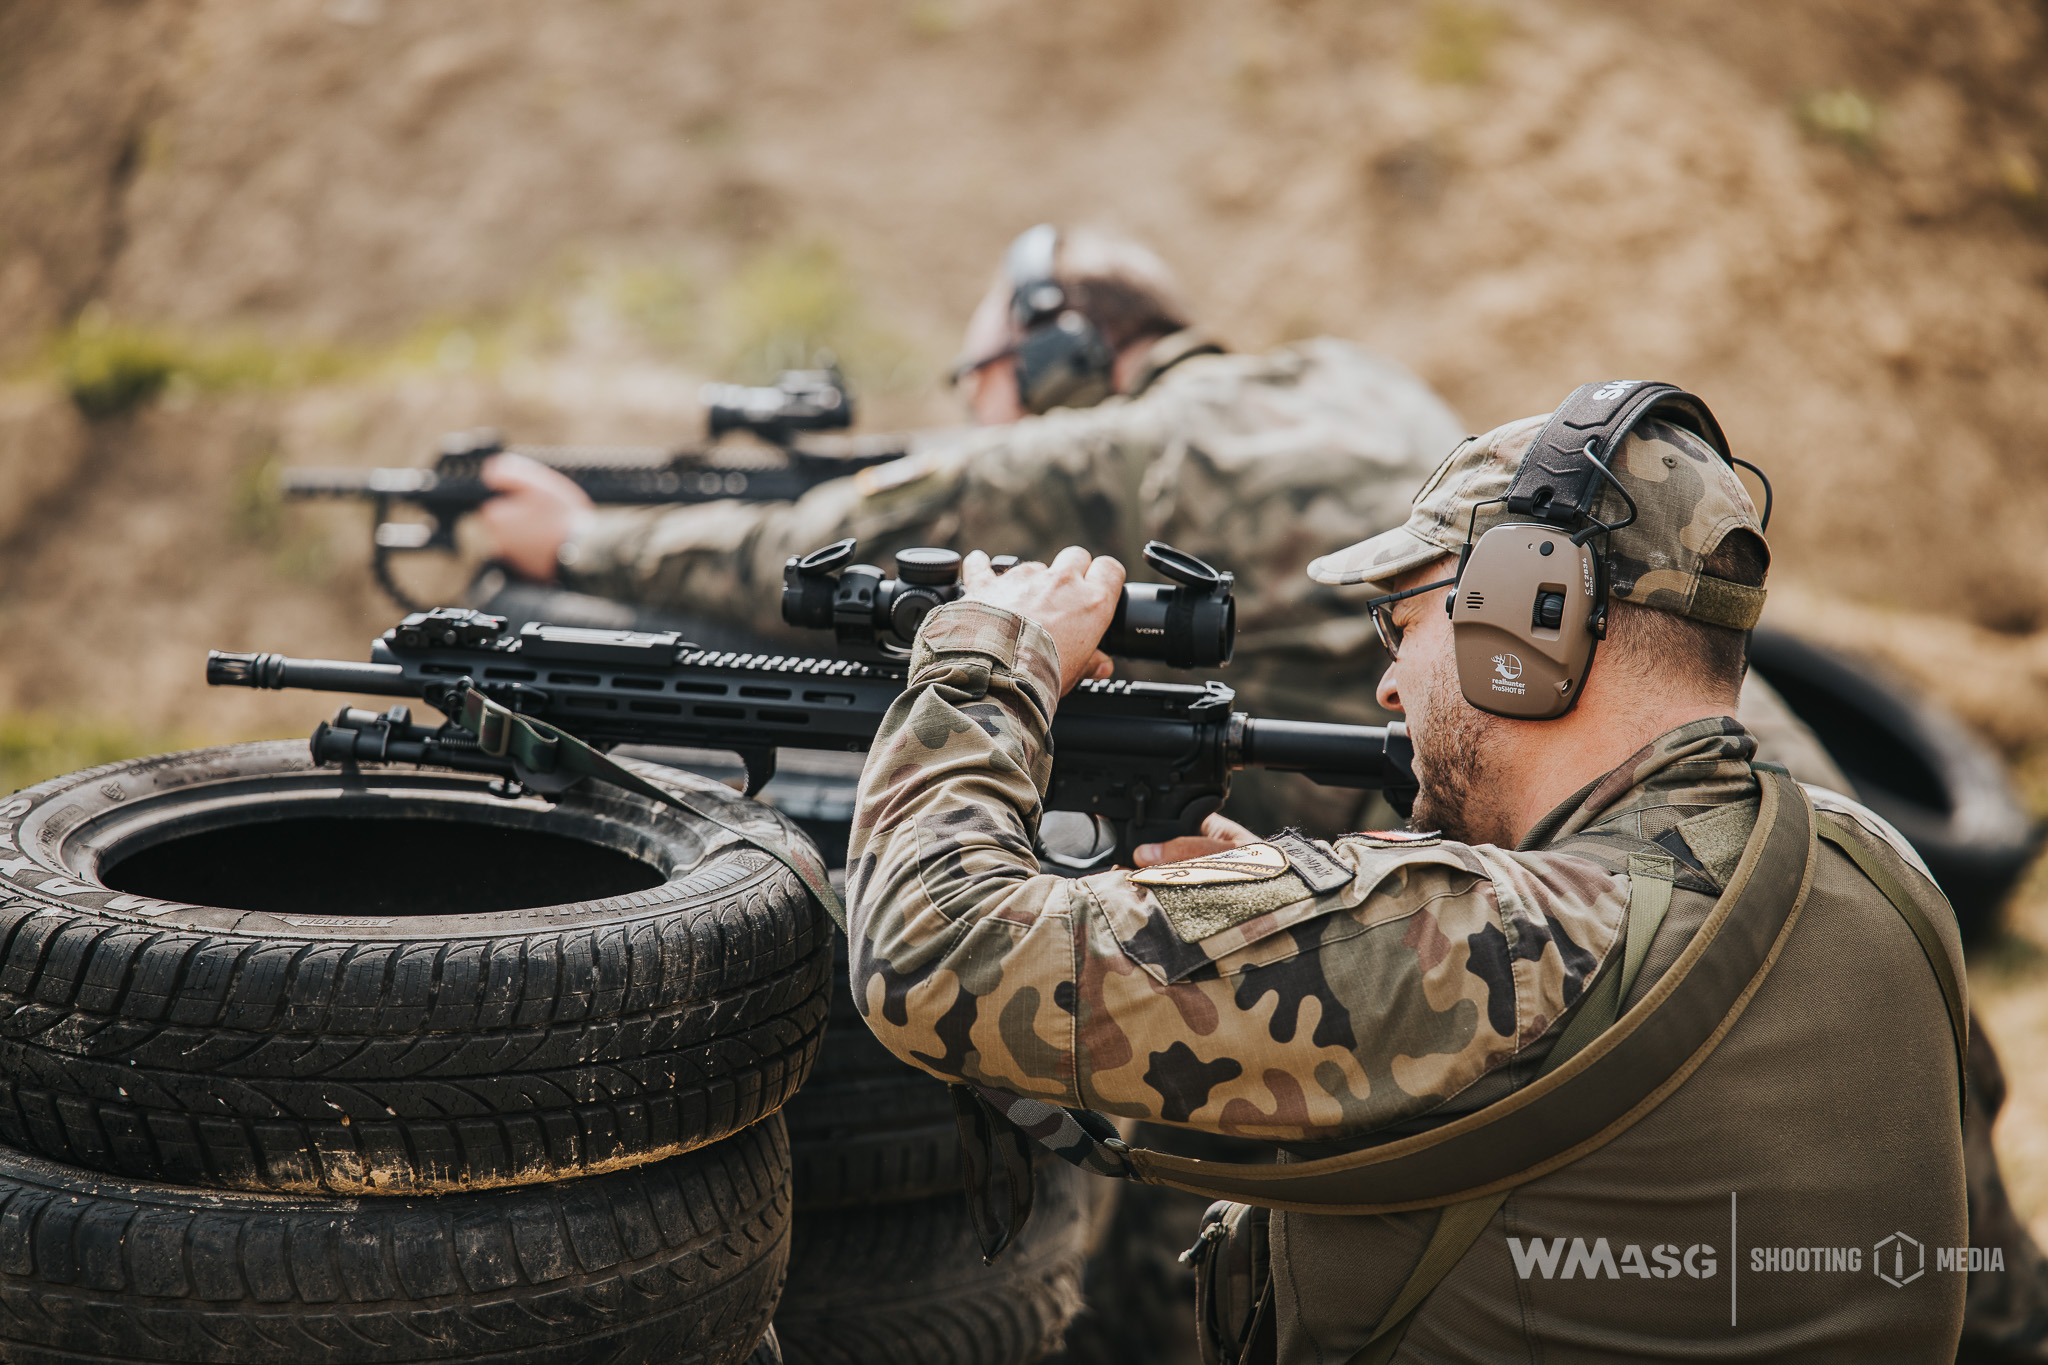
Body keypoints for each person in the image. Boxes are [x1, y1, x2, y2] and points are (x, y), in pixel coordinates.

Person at [842, 398, 1971, 1361]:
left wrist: (987, 655)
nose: (1389, 687)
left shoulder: (1487, 940)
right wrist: (1303, 934)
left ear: (1530, 616)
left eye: (1399, 624)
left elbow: (930, 952)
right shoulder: (1873, 866)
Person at [474, 224, 1469, 833]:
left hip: (1321, 829)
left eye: (981, 378)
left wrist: (576, 542)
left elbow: (810, 552)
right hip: (1457, 785)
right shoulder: (1348, 374)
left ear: (1056, 357)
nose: (974, 416)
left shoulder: (1111, 451)